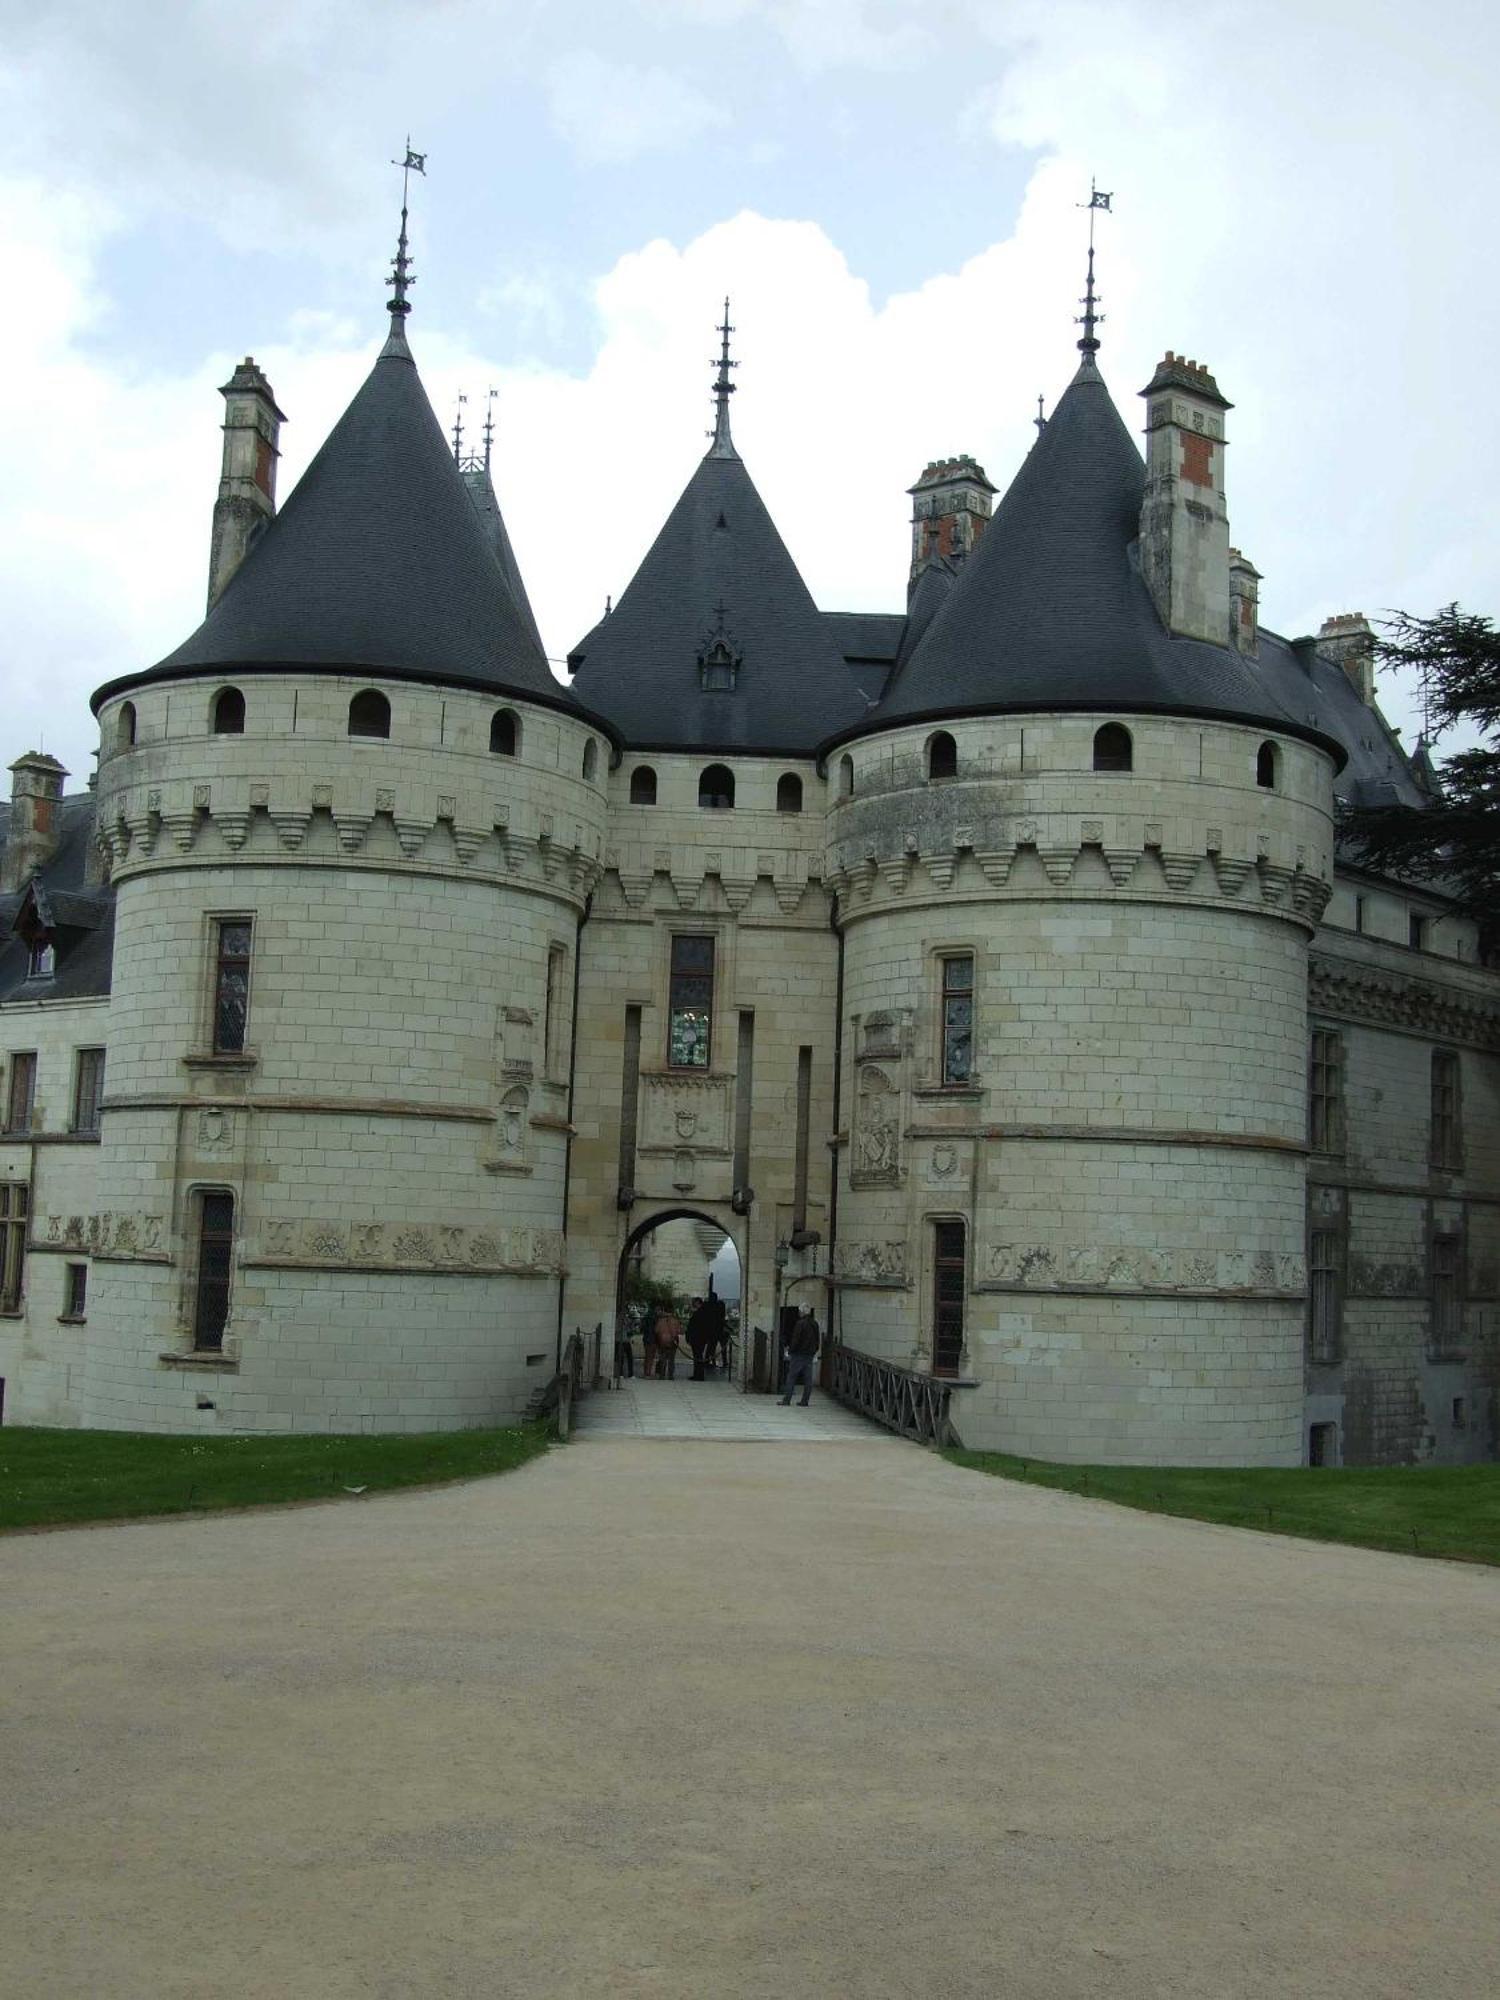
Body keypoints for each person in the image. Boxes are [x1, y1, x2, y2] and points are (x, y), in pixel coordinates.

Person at [779, 1308, 820, 1407]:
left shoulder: (800, 1324)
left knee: (791, 1377)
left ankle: (787, 1400)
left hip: (798, 1354)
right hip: (809, 1354)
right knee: (808, 1379)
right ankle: (805, 1401)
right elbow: (817, 1340)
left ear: (801, 1312)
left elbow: (796, 1339)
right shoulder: (815, 1323)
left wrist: (790, 1350)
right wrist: (814, 1351)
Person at [685, 1295, 713, 1381]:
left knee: (698, 1357)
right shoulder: (704, 1313)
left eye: (694, 1302)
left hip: (697, 1338)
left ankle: (698, 1375)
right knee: (698, 1357)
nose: (693, 1304)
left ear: (697, 1303)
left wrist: (690, 1337)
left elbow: (694, 1327)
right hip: (701, 1338)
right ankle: (698, 1374)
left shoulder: (699, 1314)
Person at [654, 1303, 683, 1380]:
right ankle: (670, 1375)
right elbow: (679, 1331)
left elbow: (656, 1330)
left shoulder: (660, 1321)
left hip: (662, 1341)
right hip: (673, 1341)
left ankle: (662, 1375)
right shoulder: (675, 1320)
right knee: (671, 1360)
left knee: (662, 1359)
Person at [639, 1305, 658, 1381]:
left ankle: (646, 1372)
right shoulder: (656, 1318)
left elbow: (642, 1328)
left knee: (647, 1356)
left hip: (646, 1339)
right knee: (651, 1357)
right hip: (653, 1339)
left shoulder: (646, 1317)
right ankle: (648, 1373)